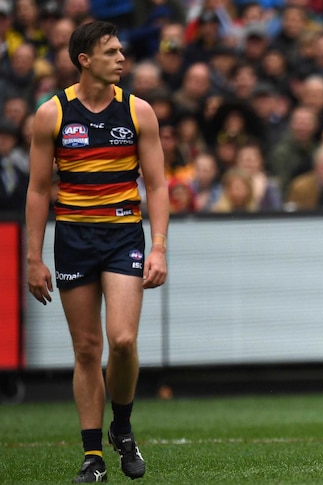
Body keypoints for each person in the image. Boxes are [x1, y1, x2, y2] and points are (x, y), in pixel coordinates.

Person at [25, 21, 169, 483]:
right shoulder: (52, 113)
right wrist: (33, 256)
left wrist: (160, 247)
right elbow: (37, 190)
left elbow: (158, 184)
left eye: (122, 51)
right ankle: (93, 456)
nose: (122, 59)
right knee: (87, 349)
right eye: (111, 52)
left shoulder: (139, 111)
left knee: (122, 340)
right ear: (84, 60)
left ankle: (122, 428)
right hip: (73, 238)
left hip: (124, 235)